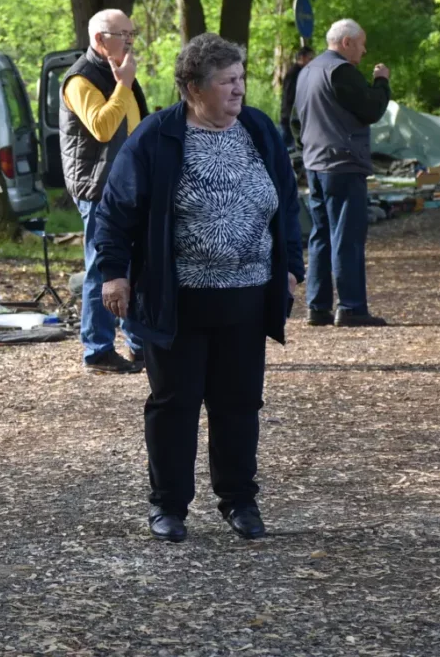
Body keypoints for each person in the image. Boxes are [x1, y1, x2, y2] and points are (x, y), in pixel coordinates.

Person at [93, 33, 303, 543]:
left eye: (241, 79)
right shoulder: (157, 136)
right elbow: (116, 210)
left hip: (247, 297)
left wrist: (291, 265)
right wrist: (114, 273)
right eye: (227, 81)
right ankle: (168, 507)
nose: (239, 90)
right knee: (175, 404)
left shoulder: (257, 129)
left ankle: (239, 501)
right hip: (178, 298)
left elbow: (288, 203)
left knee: (239, 402)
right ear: (193, 88)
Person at [60, 9, 150, 373]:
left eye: (131, 33)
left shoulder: (119, 71)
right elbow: (102, 128)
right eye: (122, 34)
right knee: (103, 268)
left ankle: (140, 344)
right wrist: (124, 84)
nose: (130, 40)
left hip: (128, 184)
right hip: (98, 188)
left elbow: (135, 124)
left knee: (136, 265)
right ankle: (97, 350)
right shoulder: (80, 79)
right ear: (99, 39)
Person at [295, 18, 391, 328]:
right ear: (346, 42)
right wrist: (381, 81)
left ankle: (317, 306)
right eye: (361, 44)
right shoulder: (342, 72)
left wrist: (309, 150)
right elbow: (371, 110)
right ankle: (350, 306)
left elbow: (295, 121)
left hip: (314, 162)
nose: (364, 51)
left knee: (321, 234)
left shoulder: (306, 72)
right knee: (347, 235)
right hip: (343, 163)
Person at [279, 46, 315, 148]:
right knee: (285, 146)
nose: (312, 61)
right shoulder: (295, 73)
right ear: (302, 58)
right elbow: (290, 96)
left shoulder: (300, 72)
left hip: (294, 116)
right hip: (291, 117)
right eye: (310, 58)